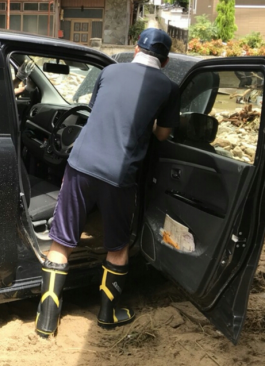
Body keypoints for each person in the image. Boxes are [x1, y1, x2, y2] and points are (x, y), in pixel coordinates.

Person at [35, 28, 180, 338]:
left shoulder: (110, 71)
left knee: (61, 242)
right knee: (117, 246)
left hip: (80, 164)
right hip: (119, 174)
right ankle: (107, 315)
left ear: (136, 49)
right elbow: (163, 135)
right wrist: (148, 119)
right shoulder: (169, 87)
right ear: (166, 61)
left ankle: (46, 322)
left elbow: (96, 109)